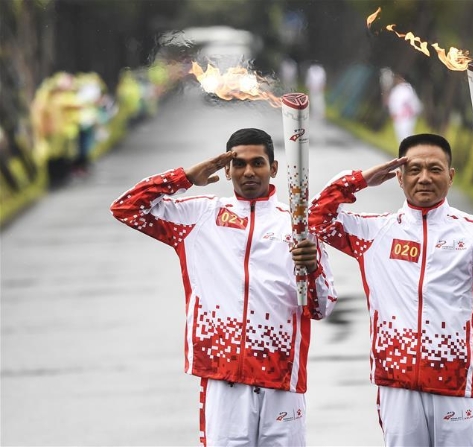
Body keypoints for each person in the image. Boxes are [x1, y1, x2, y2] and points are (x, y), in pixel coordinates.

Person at [308, 133, 473, 447]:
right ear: (399, 178)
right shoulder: (374, 233)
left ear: (451, 176)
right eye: (414, 169)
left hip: (455, 383)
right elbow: (315, 219)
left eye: (435, 169)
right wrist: (360, 180)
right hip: (397, 384)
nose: (425, 178)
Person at [110, 128, 337, 446]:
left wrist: (312, 269)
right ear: (226, 169)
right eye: (239, 164)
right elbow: (126, 208)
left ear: (273, 168)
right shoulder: (199, 216)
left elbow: (321, 307)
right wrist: (185, 177)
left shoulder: (299, 226)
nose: (248, 171)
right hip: (223, 378)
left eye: (257, 163)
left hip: (282, 380)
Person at [387, 74, 423, 144]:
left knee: (404, 134)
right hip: (405, 115)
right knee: (404, 135)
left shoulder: (404, 89)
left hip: (405, 115)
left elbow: (398, 103)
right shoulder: (403, 89)